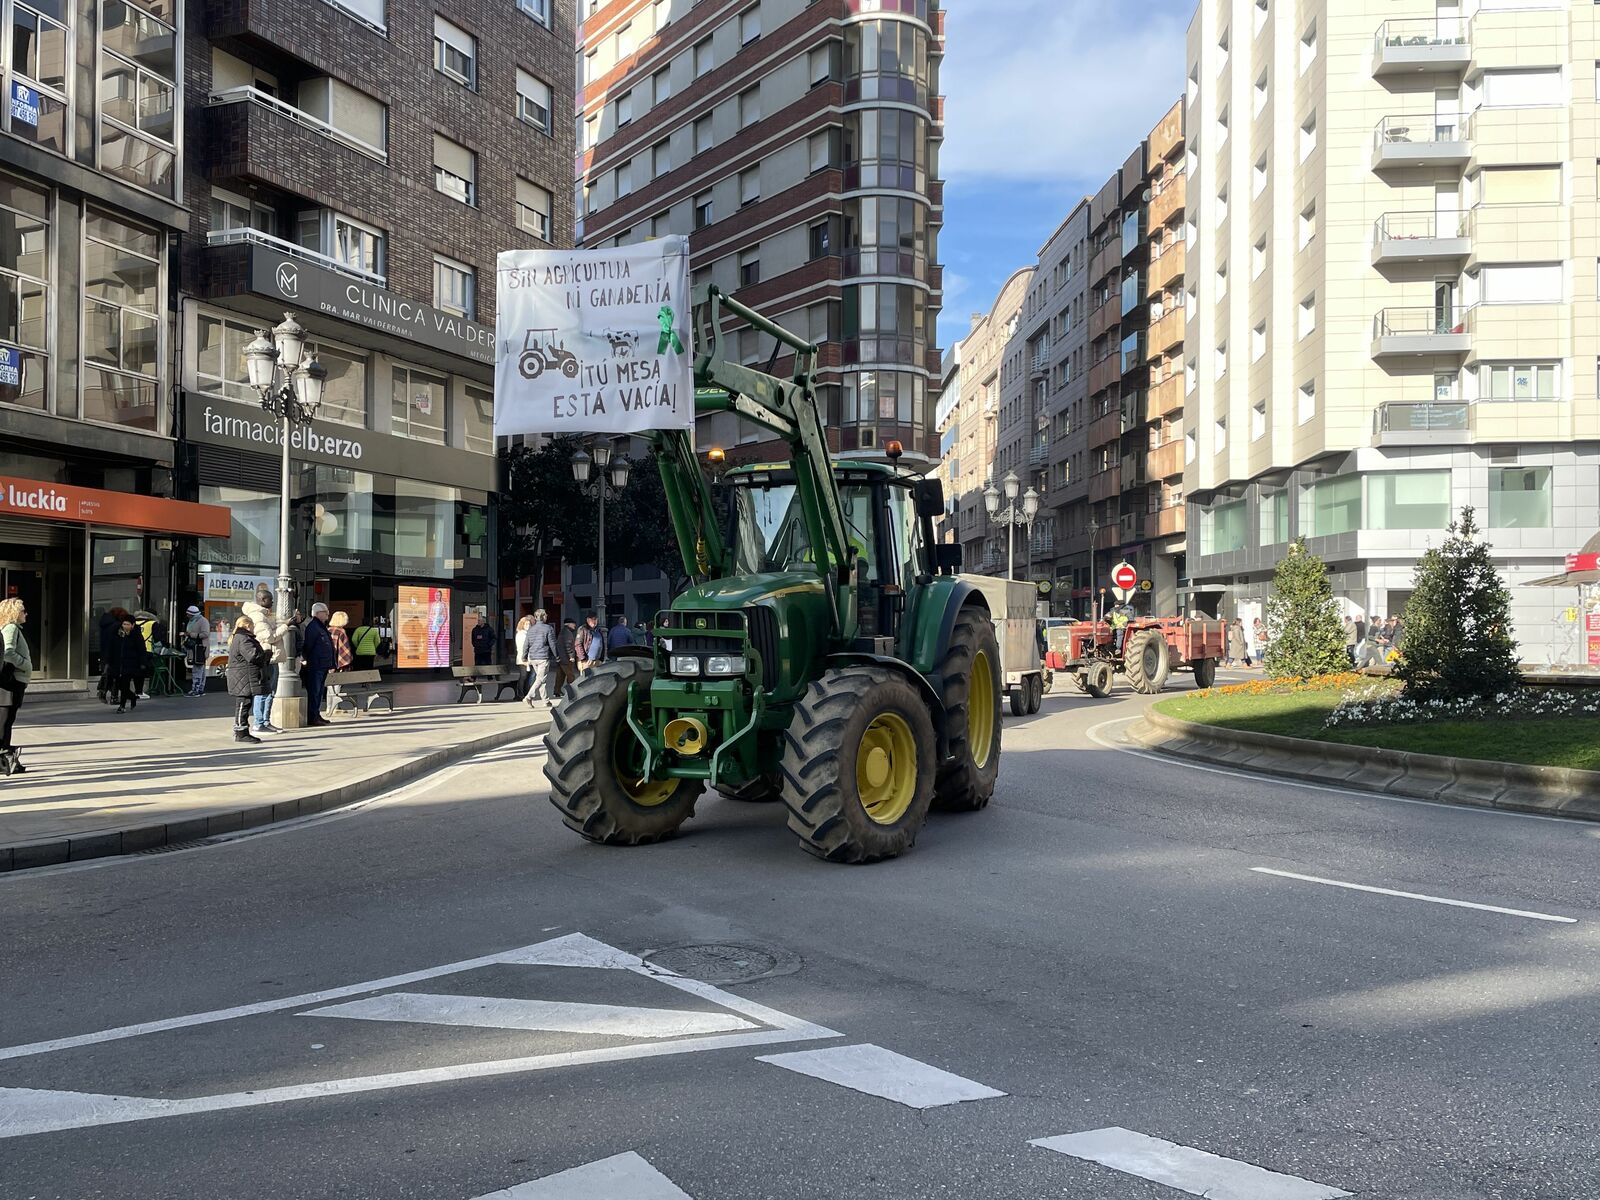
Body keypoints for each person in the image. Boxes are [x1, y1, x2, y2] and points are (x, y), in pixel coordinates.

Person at [239, 601, 284, 736]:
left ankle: (265, 721)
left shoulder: (264, 616)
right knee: (263, 691)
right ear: (264, 601)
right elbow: (269, 637)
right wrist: (284, 626)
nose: (272, 604)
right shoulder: (258, 617)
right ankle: (259, 723)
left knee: (269, 691)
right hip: (265, 658)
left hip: (269, 657)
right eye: (271, 601)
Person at [226, 615, 271, 745]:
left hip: (244, 676)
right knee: (243, 703)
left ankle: (242, 730)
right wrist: (266, 654)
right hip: (243, 677)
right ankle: (241, 732)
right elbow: (253, 656)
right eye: (252, 626)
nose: (253, 628)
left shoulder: (240, 637)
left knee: (245, 703)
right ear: (247, 625)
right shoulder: (243, 638)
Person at [0, 597, 32, 776]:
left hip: (13, 680)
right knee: (6, 720)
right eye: (23, 611)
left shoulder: (9, 628)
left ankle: (6, 759)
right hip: (13, 681)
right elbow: (8, 652)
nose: (25, 614)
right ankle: (5, 759)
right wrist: (25, 664)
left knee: (6, 720)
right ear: (14, 613)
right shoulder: (11, 628)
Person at [301, 603, 335, 727]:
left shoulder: (321, 626)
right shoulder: (313, 627)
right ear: (317, 613)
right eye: (325, 611)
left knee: (319, 691)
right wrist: (306, 659)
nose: (328, 614)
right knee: (314, 691)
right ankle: (312, 716)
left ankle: (316, 714)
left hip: (323, 664)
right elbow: (309, 645)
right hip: (316, 664)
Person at [106, 617, 150, 713]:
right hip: (119, 664)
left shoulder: (137, 636)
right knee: (120, 685)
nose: (125, 626)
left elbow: (142, 650)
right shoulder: (119, 635)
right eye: (124, 624)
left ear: (133, 625)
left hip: (131, 664)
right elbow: (112, 648)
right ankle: (132, 697)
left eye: (127, 624)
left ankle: (122, 706)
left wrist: (143, 664)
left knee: (125, 685)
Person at [524, 609, 557, 706]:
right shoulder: (548, 628)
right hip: (543, 657)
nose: (547, 617)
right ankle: (529, 696)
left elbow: (526, 644)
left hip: (533, 657)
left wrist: (524, 656)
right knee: (540, 679)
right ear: (543, 617)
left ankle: (545, 701)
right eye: (546, 616)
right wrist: (557, 656)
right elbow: (552, 644)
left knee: (542, 679)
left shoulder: (531, 629)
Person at [183, 605, 210, 696]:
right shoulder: (191, 621)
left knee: (197, 669)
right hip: (193, 648)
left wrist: (191, 634)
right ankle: (200, 689)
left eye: (189, 614)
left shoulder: (203, 621)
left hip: (200, 648)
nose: (187, 616)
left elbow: (205, 634)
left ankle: (196, 689)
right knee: (200, 669)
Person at [556, 617, 580, 695]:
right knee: (571, 676)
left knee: (560, 676)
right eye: (573, 624)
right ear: (569, 624)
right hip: (566, 659)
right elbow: (568, 645)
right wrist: (571, 656)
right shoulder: (568, 633)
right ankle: (571, 691)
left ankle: (557, 691)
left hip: (561, 657)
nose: (574, 626)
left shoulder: (563, 631)